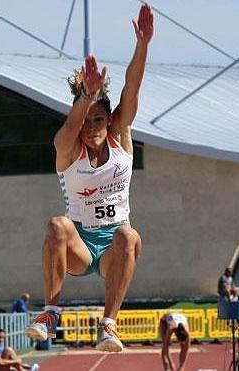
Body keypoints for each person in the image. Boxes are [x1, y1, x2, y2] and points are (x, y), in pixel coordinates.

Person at [24, 3, 153, 353]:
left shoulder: (120, 134)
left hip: (115, 246)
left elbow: (132, 86)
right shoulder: (67, 147)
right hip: (80, 245)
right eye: (88, 121)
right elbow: (70, 125)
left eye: (100, 120)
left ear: (108, 121)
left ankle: (109, 324)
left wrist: (142, 45)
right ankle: (50, 312)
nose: (93, 128)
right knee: (55, 225)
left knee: (129, 234)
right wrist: (85, 97)